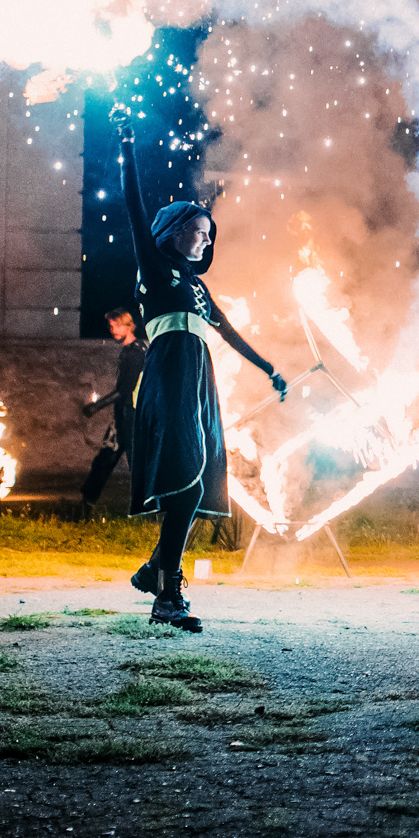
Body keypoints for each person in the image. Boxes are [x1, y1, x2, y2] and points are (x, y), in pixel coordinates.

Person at [118, 113, 286, 631]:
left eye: (209, 236)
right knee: (185, 482)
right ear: (176, 232)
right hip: (168, 376)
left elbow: (228, 331)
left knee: (198, 482)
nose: (205, 241)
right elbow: (133, 206)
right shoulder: (154, 268)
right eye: (198, 231)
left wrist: (269, 369)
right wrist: (126, 143)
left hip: (198, 381)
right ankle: (166, 595)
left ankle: (155, 572)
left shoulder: (198, 287)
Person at [78, 308, 146, 516]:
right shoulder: (131, 350)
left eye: (117, 325)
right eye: (110, 326)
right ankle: (87, 503)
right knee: (106, 459)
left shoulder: (135, 352)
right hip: (125, 416)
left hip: (132, 417)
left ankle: (145, 509)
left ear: (129, 326)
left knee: (136, 464)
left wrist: (96, 406)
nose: (112, 330)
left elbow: (124, 389)